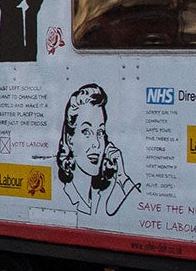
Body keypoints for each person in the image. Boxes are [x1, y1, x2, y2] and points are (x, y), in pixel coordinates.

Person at [56, 83, 137, 216]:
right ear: (70, 139)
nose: (96, 144)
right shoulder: (65, 193)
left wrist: (122, 176)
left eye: (100, 132)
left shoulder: (100, 193)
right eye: (86, 132)